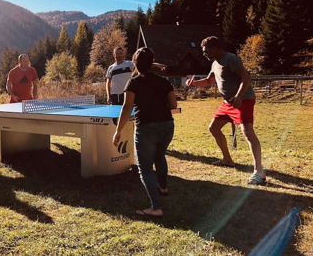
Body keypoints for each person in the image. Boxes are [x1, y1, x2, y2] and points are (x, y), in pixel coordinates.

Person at [186, 36, 265, 185]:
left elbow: (246, 78)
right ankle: (227, 160)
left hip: (244, 99)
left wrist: (239, 96)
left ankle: (258, 171)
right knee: (213, 128)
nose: (204, 54)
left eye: (206, 50)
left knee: (247, 133)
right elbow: (209, 82)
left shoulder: (231, 59)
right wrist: (194, 83)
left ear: (215, 47)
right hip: (227, 102)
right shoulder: (214, 63)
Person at [113, 47, 177, 217]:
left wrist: (118, 131)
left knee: (145, 169)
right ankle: (163, 187)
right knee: (160, 156)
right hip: (167, 126)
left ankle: (155, 208)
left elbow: (127, 108)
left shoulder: (133, 82)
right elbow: (173, 106)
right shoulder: (164, 82)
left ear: (135, 63)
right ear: (152, 63)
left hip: (146, 127)